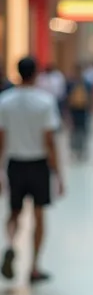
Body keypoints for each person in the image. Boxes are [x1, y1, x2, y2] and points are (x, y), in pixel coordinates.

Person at [0, 57, 64, 283]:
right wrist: (58, 174)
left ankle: (9, 244)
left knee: (14, 211)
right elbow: (50, 140)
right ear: (36, 73)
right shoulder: (45, 101)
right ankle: (34, 267)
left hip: (15, 163)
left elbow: (1, 139)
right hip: (38, 164)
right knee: (38, 215)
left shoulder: (5, 101)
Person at [66, 65, 93, 160]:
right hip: (75, 111)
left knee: (81, 131)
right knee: (76, 132)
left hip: (82, 111)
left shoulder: (85, 84)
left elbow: (90, 97)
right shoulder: (71, 84)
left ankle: (81, 150)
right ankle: (76, 150)